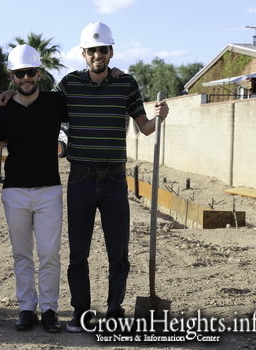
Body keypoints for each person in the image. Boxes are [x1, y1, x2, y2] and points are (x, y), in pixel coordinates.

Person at [55, 22, 169, 332]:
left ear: (111, 52)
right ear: (83, 54)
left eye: (102, 49)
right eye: (91, 50)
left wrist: (158, 117)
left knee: (118, 252)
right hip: (80, 180)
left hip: (115, 182)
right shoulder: (68, 85)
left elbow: (144, 127)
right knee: (78, 253)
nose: (97, 55)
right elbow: (46, 113)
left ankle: (114, 310)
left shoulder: (126, 84)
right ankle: (81, 312)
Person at [0, 45, 68, 333]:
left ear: (40, 73)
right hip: (15, 192)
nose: (26, 78)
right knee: (21, 254)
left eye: (31, 72)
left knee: (49, 254)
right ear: (12, 77)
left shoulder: (55, 103)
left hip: (49, 191)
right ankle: (26, 308)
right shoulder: (3, 110)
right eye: (20, 73)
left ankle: (49, 308)